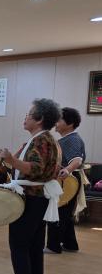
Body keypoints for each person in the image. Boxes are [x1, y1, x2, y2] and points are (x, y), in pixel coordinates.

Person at [0, 98, 61, 274]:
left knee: (19, 243)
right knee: (34, 244)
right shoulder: (45, 139)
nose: (25, 118)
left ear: (39, 119)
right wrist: (13, 160)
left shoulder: (41, 140)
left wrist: (11, 160)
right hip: (39, 198)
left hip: (32, 199)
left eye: (29, 114)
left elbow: (36, 169)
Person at [46, 107, 86, 254]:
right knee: (64, 213)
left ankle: (53, 246)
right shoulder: (67, 139)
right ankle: (70, 244)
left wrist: (67, 170)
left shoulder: (72, 139)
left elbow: (77, 160)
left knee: (58, 212)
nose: (56, 123)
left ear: (70, 123)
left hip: (68, 180)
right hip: (66, 179)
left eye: (59, 120)